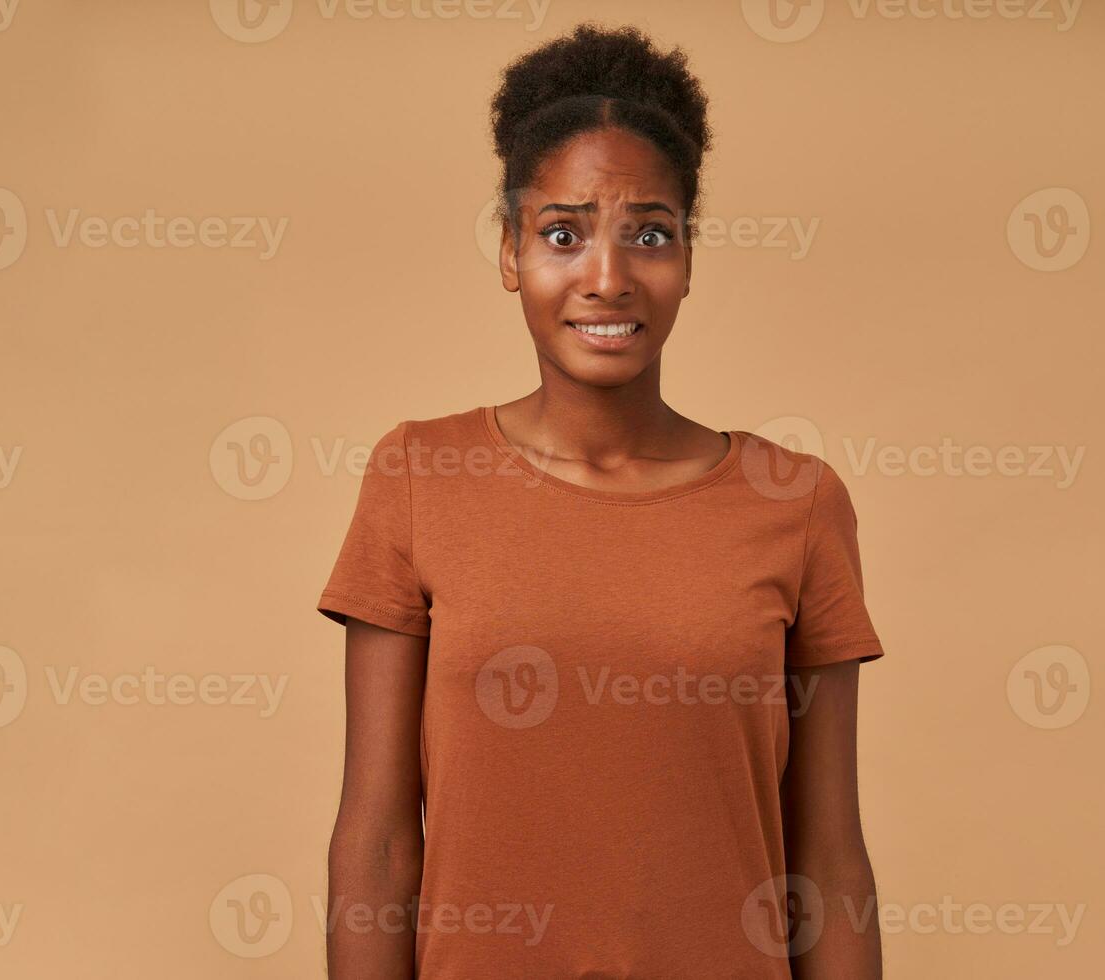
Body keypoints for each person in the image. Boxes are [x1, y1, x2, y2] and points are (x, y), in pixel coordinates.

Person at [316, 21, 887, 980]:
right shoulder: (418, 476)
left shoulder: (797, 504)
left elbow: (827, 860)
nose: (608, 277)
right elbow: (375, 844)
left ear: (690, 259)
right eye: (564, 233)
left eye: (650, 234)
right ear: (510, 251)